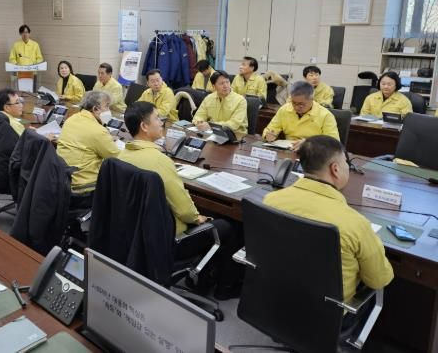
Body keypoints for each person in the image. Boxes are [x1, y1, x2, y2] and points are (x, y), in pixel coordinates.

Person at [119, 101, 242, 298]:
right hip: (167, 240)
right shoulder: (159, 160)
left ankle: (203, 279)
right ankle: (221, 288)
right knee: (228, 226)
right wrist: (197, 218)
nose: (162, 122)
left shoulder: (121, 155)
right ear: (144, 126)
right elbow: (185, 211)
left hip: (134, 233)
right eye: (157, 118)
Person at [264, 135, 394, 302]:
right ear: (335, 169)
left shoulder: (270, 201)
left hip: (274, 299)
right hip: (327, 313)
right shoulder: (355, 224)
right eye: (346, 162)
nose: (348, 167)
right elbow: (379, 280)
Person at [57, 91, 120, 198]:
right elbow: (116, 158)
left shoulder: (71, 119)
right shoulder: (98, 131)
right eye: (107, 106)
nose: (109, 110)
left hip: (61, 180)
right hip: (83, 188)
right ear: (95, 109)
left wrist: (106, 138)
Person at [263, 81, 339, 149]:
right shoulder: (284, 109)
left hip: (313, 153)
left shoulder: (326, 115)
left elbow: (333, 143)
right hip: (289, 150)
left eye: (301, 104)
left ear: (312, 99)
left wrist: (309, 143)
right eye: (294, 103)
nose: (296, 107)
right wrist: (268, 135)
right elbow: (270, 129)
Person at [192, 70, 248, 138]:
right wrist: (200, 123)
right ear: (213, 86)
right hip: (214, 134)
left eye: (227, 82)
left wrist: (211, 125)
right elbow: (198, 116)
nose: (225, 86)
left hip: (236, 135)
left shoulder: (240, 100)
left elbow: (234, 124)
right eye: (221, 83)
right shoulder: (209, 98)